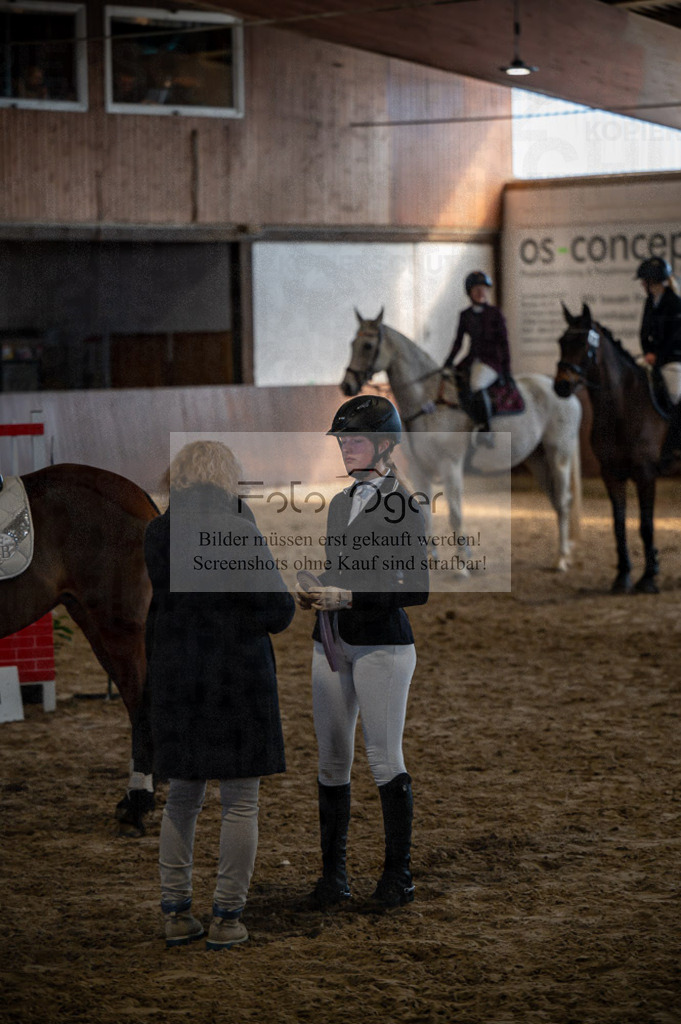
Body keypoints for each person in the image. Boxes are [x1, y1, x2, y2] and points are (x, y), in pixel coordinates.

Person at [144, 440, 295, 950]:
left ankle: (175, 910)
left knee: (182, 798)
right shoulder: (237, 532)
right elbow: (278, 612)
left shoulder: (156, 533)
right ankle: (228, 917)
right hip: (236, 682)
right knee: (240, 802)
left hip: (176, 678)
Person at [296, 396, 429, 910]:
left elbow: (415, 589)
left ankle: (399, 876)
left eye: (354, 440)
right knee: (331, 761)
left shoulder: (406, 508)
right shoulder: (338, 504)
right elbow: (345, 571)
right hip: (332, 640)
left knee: (383, 757)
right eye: (343, 440)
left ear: (385, 445)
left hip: (383, 645)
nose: (345, 448)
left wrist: (349, 596)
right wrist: (318, 585)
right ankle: (334, 877)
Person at [443, 270, 511, 439]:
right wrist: (449, 361)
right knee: (453, 381)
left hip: (491, 362)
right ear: (470, 292)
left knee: (476, 384)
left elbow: (504, 344)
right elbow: (458, 342)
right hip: (471, 360)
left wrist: (506, 370)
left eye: (484, 289)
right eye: (476, 289)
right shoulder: (465, 315)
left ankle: (485, 428)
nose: (481, 293)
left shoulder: (495, 314)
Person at [636, 256, 681, 471]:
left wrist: (659, 356)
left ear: (654, 281)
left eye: (645, 280)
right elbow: (644, 332)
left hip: (673, 359)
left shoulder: (675, 301)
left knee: (674, 395)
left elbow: (676, 336)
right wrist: (647, 352)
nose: (643, 284)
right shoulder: (649, 302)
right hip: (653, 358)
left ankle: (672, 447)